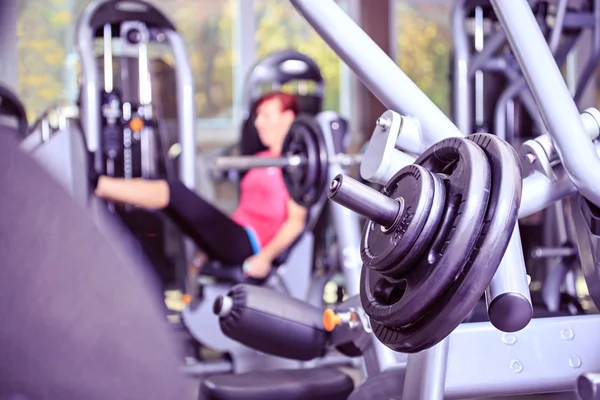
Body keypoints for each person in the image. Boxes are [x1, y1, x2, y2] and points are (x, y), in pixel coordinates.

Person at [92, 91, 307, 279]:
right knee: (169, 204)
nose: (258, 122)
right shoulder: (260, 158)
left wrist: (264, 258)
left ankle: (95, 183)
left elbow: (296, 222)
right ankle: (100, 187)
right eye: (258, 115)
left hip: (252, 245)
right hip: (237, 234)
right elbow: (245, 211)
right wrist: (207, 247)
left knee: (175, 192)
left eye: (266, 115)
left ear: (288, 118)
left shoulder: (298, 165)